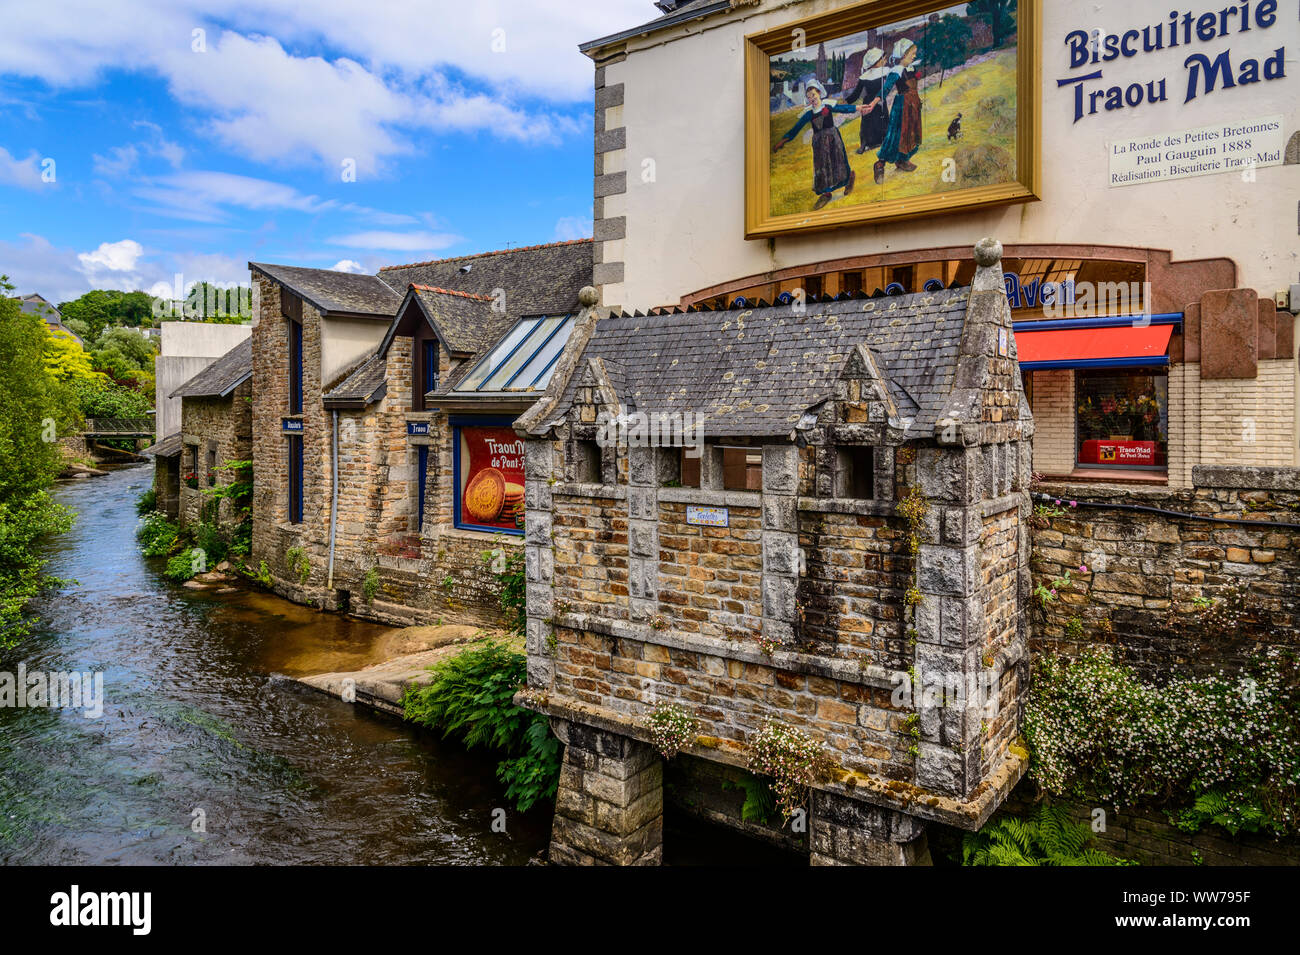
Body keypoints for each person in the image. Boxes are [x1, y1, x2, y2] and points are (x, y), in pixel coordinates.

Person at [772, 80, 857, 210]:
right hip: (818, 144)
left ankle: (849, 179)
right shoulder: (808, 113)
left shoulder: (827, 106)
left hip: (833, 139)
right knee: (822, 167)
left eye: (813, 94)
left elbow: (843, 108)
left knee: (838, 161)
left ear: (819, 93)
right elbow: (796, 128)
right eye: (809, 96)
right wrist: (783, 141)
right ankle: (826, 193)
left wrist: (859, 108)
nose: (812, 98)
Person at [874, 38, 924, 185]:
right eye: (911, 54)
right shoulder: (896, 71)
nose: (914, 56)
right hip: (902, 106)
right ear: (903, 54)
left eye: (915, 53)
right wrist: (873, 103)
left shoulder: (911, 68)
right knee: (896, 136)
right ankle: (879, 164)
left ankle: (902, 160)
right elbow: (886, 89)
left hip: (913, 104)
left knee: (909, 133)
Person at [841, 47, 889, 155]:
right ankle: (864, 144)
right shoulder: (865, 76)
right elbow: (856, 93)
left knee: (881, 122)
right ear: (876, 60)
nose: (885, 61)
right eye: (883, 59)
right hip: (870, 101)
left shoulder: (884, 72)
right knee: (867, 124)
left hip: (878, 101)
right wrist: (847, 101)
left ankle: (881, 141)